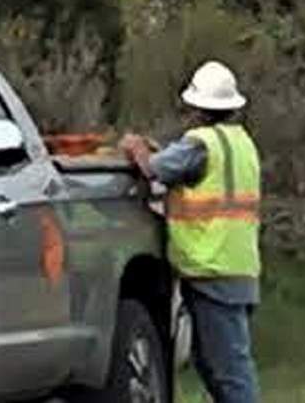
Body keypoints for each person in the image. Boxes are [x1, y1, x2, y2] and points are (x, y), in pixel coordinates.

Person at [120, 60, 262, 403]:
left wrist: (136, 147)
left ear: (198, 108)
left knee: (229, 371)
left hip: (212, 268)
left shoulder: (200, 144)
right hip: (237, 267)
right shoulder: (241, 143)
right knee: (215, 363)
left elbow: (154, 169)